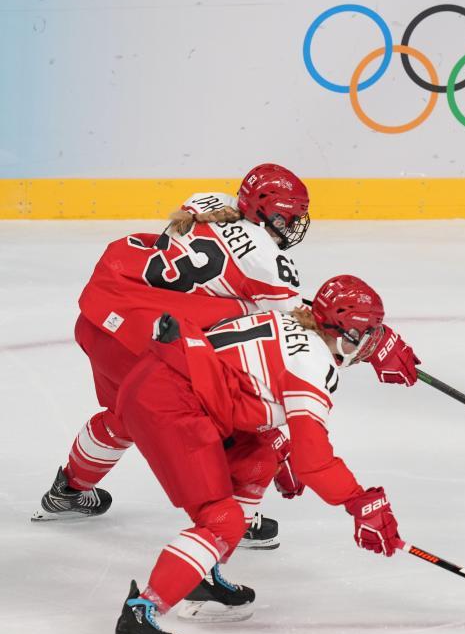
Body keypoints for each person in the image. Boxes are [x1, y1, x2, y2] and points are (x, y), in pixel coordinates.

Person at [110, 275, 419, 634]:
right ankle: (142, 612)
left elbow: (257, 384)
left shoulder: (297, 315)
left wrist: (279, 445)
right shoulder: (312, 365)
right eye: (368, 333)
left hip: (173, 384)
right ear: (345, 333)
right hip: (170, 404)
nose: (371, 342)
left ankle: (200, 576)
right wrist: (358, 501)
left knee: (261, 454)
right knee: (223, 519)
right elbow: (314, 461)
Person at [34, 163, 312, 549]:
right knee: (228, 426)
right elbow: (291, 332)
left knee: (125, 415)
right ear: (269, 211)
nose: (295, 224)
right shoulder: (270, 264)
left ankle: (67, 490)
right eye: (290, 216)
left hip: (102, 317)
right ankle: (234, 520)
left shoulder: (207, 201)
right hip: (148, 345)